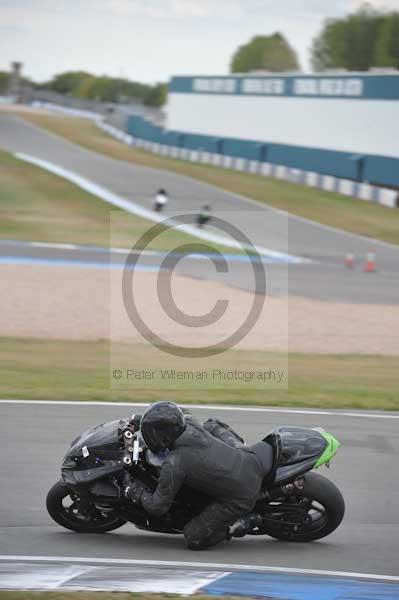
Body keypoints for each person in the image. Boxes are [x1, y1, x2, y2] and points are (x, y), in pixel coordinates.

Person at [123, 401, 273, 550]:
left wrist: (134, 491)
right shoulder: (188, 423)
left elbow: (157, 506)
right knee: (211, 425)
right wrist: (143, 421)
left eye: (153, 431)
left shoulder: (175, 463)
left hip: (242, 495)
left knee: (193, 538)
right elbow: (179, 411)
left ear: (165, 434)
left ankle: (245, 523)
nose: (151, 435)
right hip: (246, 458)